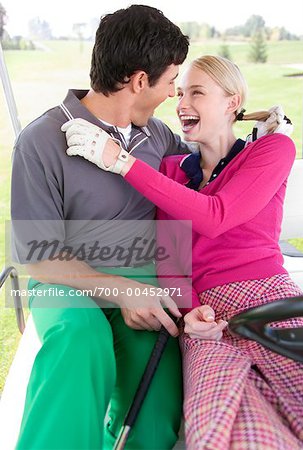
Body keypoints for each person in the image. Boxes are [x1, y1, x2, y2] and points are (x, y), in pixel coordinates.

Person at [63, 55, 303, 449]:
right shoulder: (170, 171)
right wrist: (190, 312)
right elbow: (172, 257)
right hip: (205, 319)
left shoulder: (272, 151)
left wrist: (121, 161)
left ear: (232, 102)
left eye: (196, 92)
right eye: (180, 92)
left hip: (268, 299)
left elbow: (218, 215)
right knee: (222, 428)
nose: (181, 103)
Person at [10, 5, 192, 450]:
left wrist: (255, 132)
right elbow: (39, 258)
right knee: (79, 339)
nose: (173, 94)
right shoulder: (41, 140)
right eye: (171, 82)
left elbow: (208, 167)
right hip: (66, 281)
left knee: (154, 405)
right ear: (139, 81)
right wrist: (121, 289)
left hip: (143, 280)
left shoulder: (158, 137)